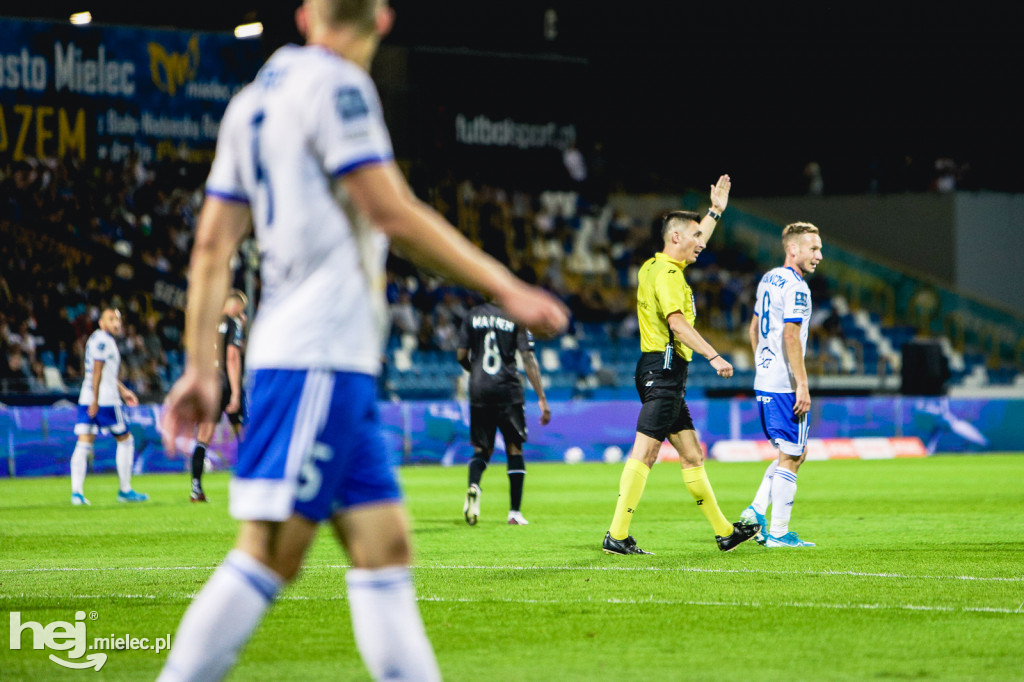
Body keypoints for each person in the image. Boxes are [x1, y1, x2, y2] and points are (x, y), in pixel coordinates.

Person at [156, 1, 568, 680]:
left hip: (320, 360)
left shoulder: (252, 103)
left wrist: (200, 368)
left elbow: (211, 247)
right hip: (316, 359)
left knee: (385, 547)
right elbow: (389, 209)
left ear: (304, 14)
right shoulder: (340, 87)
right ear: (381, 18)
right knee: (267, 554)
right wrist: (509, 289)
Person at [602, 175, 761, 555]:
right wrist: (714, 354)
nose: (701, 244)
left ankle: (724, 532)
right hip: (665, 369)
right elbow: (677, 323)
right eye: (695, 238)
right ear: (675, 239)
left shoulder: (654, 266)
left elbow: (690, 238)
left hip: (658, 368)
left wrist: (715, 212)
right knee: (646, 453)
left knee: (691, 453)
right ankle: (617, 535)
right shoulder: (671, 276)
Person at [739, 222, 823, 548]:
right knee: (793, 454)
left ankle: (757, 510)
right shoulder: (798, 288)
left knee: (792, 453)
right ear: (793, 250)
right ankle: (777, 533)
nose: (819, 255)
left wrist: (763, 364)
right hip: (786, 385)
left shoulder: (768, 278)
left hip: (766, 379)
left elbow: (752, 329)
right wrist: (802, 385)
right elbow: (791, 335)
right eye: (813, 248)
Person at [457, 299, 550, 526]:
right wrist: (542, 398)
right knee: (514, 447)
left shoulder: (472, 315)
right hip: (507, 390)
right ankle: (514, 513)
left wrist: (477, 371)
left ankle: (474, 485)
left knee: (482, 448)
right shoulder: (515, 315)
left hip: (479, 389)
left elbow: (461, 355)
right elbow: (527, 357)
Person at [69, 308, 148, 505]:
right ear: (101, 322)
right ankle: (125, 490)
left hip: (86, 396)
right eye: (111, 319)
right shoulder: (104, 340)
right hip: (105, 400)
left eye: (118, 320)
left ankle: (76, 493)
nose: (116, 323)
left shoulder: (96, 338)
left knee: (84, 442)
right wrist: (96, 400)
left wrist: (123, 390)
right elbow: (98, 370)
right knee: (126, 440)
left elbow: (104, 373)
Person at [189, 290, 248, 502]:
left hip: (207, 383)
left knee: (203, 436)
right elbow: (232, 357)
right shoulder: (234, 323)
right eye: (241, 308)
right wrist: (235, 393)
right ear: (235, 306)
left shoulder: (207, 323)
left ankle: (196, 489)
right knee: (244, 436)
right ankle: (251, 487)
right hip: (224, 382)